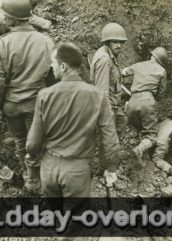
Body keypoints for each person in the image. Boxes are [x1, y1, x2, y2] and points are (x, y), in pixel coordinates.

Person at [26, 42, 119, 201]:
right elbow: (110, 140)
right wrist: (110, 167)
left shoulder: (44, 95)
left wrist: (35, 157)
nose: (51, 68)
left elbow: (33, 143)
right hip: (77, 170)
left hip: (49, 168)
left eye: (53, 64)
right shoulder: (97, 95)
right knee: (75, 221)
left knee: (56, 216)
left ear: (63, 67)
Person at [0, 0, 54, 190]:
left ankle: (29, 177)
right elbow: (53, 75)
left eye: (6, 15)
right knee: (38, 141)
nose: (4, 18)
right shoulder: (46, 41)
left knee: (20, 141)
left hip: (12, 105)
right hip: (37, 103)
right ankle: (37, 177)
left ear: (14, 18)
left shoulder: (4, 43)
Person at [122, 47, 168, 168]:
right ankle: (139, 149)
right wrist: (154, 101)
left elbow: (123, 72)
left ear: (152, 55)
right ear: (161, 61)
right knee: (152, 136)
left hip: (132, 101)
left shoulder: (138, 65)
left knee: (138, 126)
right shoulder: (162, 70)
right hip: (147, 100)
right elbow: (161, 93)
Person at [90, 22, 127, 137]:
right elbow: (102, 91)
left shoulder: (109, 55)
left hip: (114, 104)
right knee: (107, 139)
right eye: (115, 42)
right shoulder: (104, 59)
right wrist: (108, 115)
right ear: (107, 42)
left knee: (122, 121)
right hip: (107, 106)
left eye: (121, 42)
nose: (119, 45)